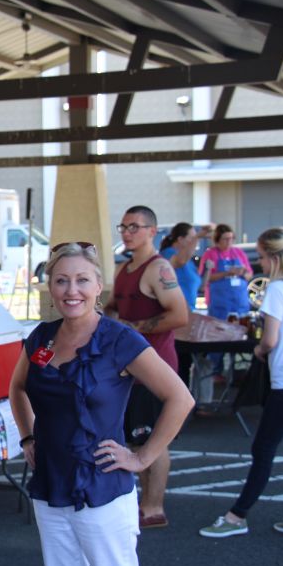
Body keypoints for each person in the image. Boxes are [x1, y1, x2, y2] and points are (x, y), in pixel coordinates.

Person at [9, 242, 193, 566]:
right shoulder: (41, 338)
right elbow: (18, 388)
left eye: (81, 280)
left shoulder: (120, 340)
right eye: (61, 281)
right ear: (51, 286)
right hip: (49, 484)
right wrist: (28, 437)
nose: (71, 290)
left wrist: (142, 458)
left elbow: (180, 398)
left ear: (98, 286)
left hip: (101, 487)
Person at [200, 227, 283, 539]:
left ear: (274, 257)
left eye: (260, 256)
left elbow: (269, 340)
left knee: (264, 447)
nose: (258, 263)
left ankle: (237, 515)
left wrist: (260, 350)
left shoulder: (277, 289)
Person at [103, 206, 189, 529]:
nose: (126, 233)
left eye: (134, 227)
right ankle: (141, 503)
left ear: (152, 232)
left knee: (153, 440)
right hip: (128, 369)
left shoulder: (159, 268)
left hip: (155, 368)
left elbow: (179, 315)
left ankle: (153, 508)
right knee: (134, 439)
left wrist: (133, 327)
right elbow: (113, 307)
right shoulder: (124, 269)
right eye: (123, 226)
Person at [199, 223, 253, 322]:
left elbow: (249, 275)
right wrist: (227, 273)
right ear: (217, 240)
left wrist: (243, 273)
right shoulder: (210, 254)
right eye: (225, 239)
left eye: (231, 238)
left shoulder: (239, 252)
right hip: (219, 305)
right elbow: (205, 278)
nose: (229, 242)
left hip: (240, 303)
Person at [159, 222, 213, 311]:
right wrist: (198, 237)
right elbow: (179, 261)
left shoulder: (189, 261)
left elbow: (200, 286)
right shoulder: (169, 253)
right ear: (180, 239)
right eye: (191, 239)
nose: (195, 243)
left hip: (189, 310)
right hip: (174, 310)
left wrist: (208, 269)